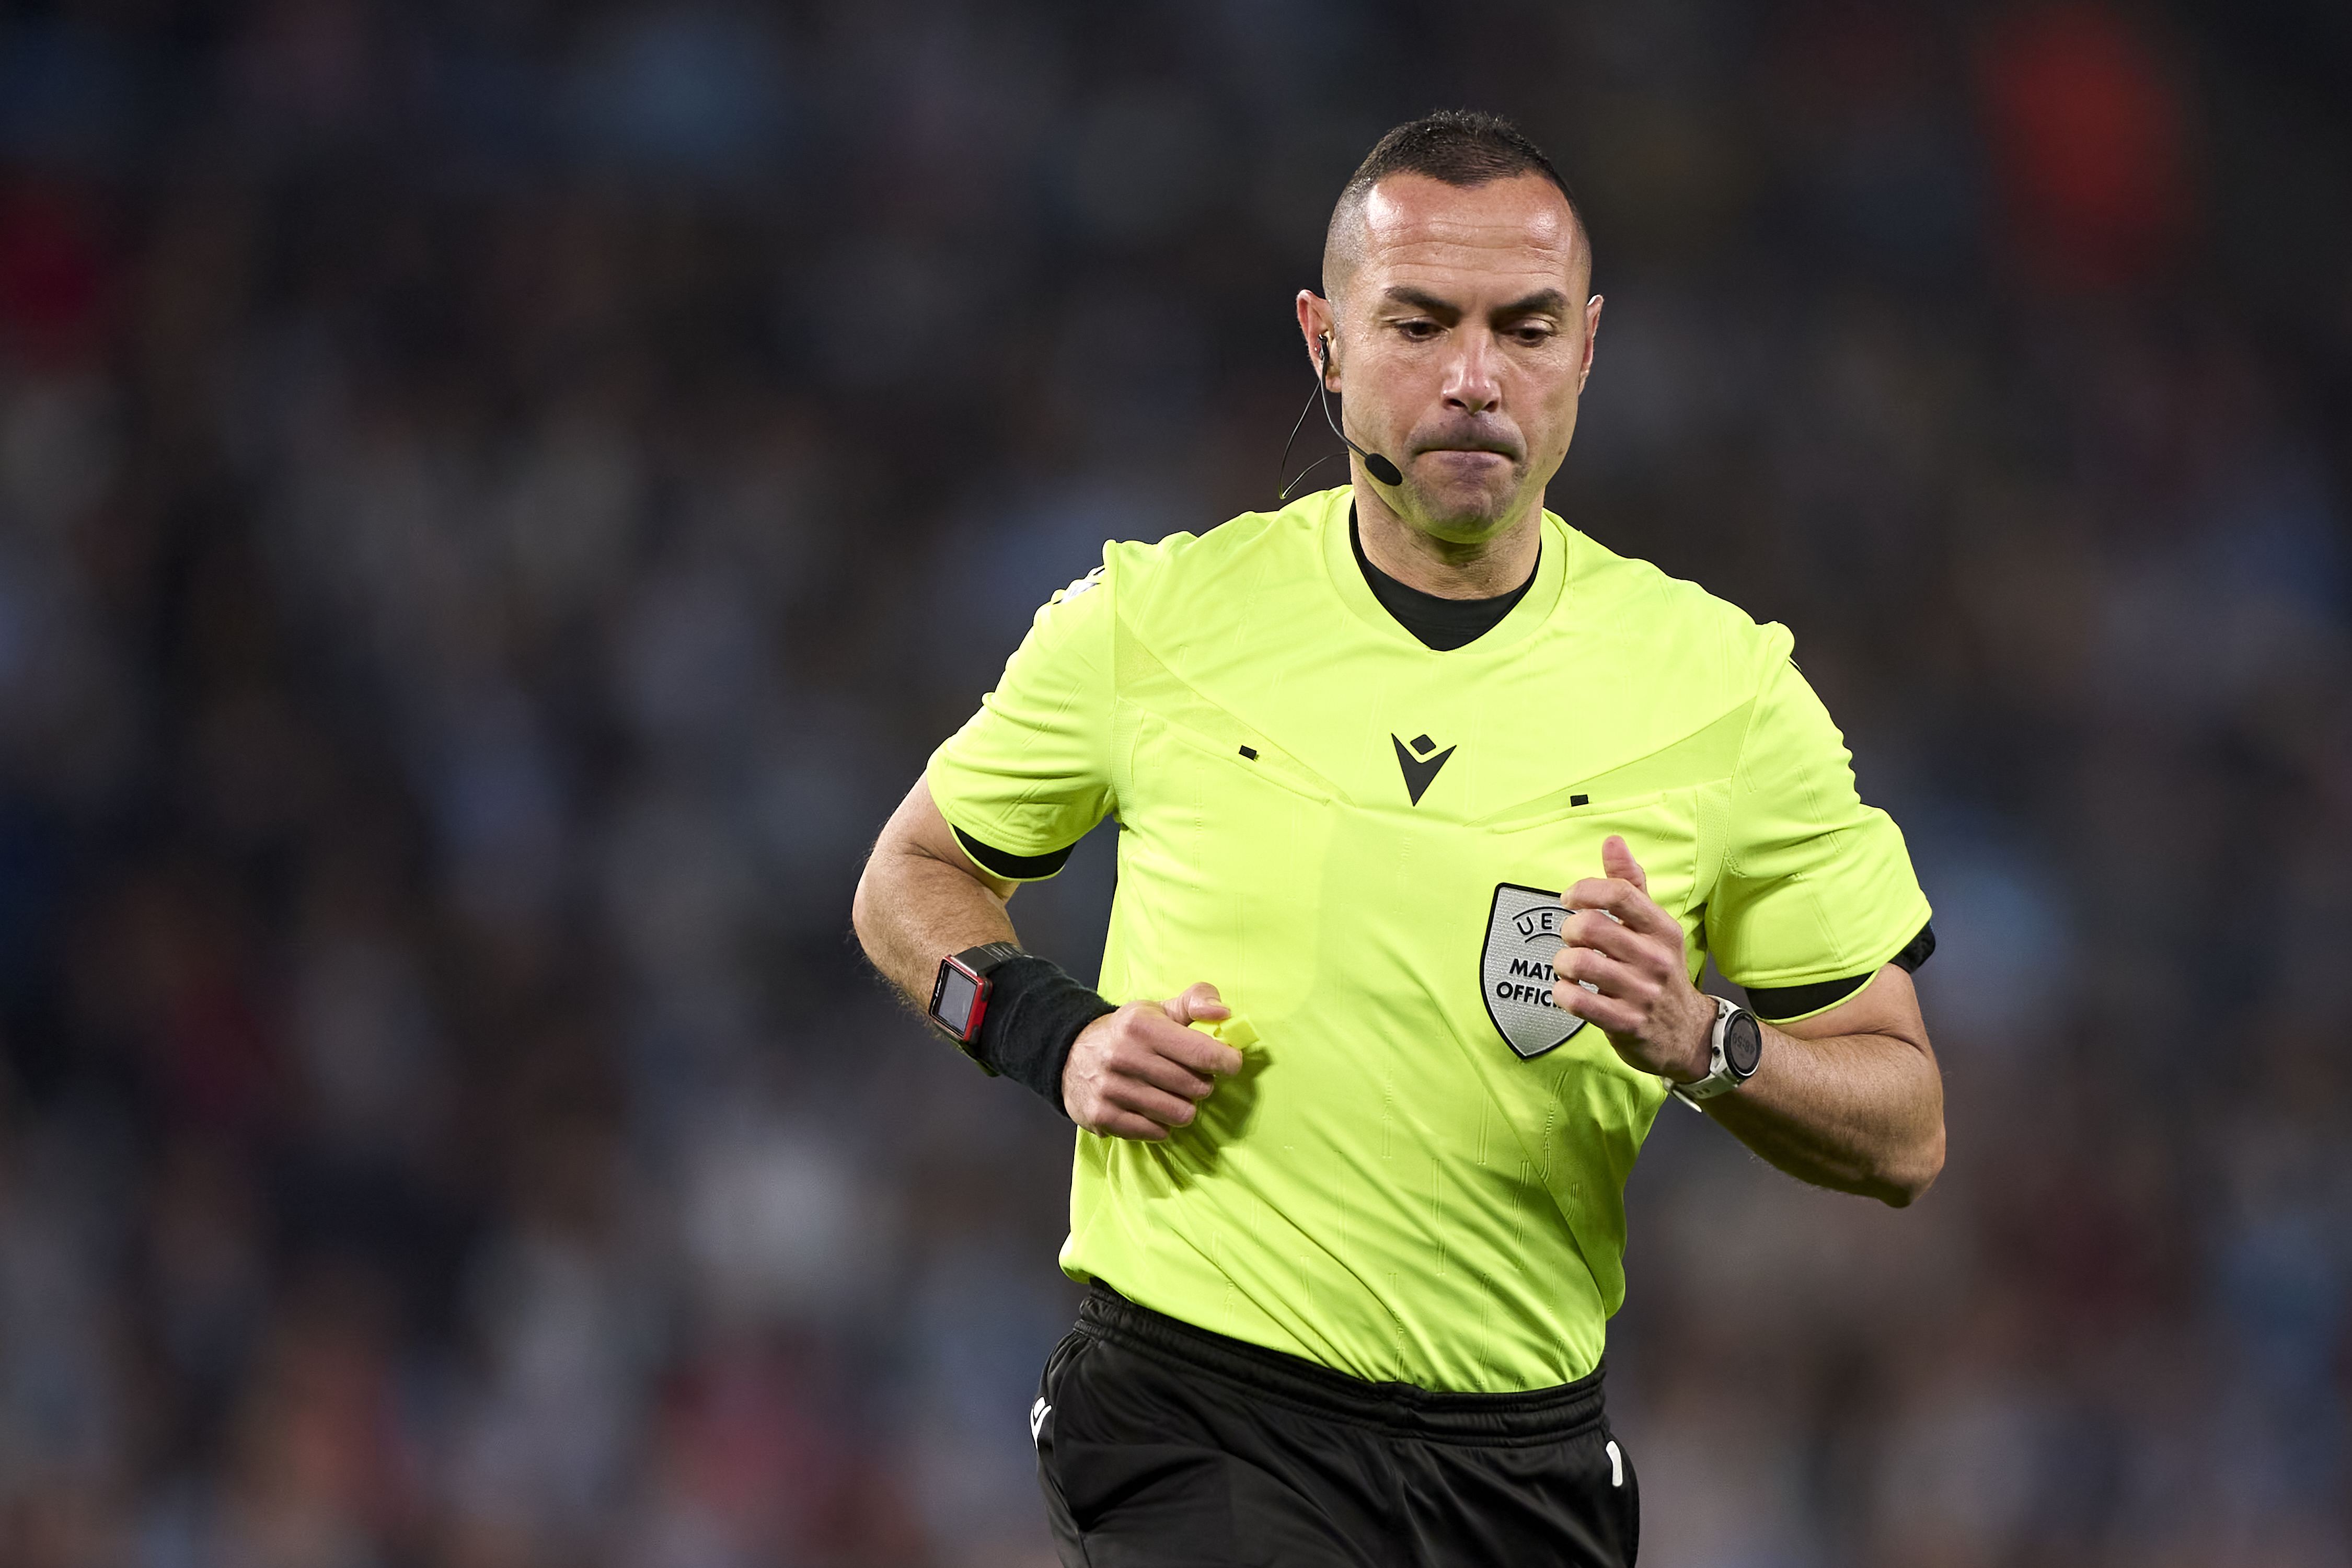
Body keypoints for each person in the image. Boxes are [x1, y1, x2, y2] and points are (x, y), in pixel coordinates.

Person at [852, 109, 1943, 1567]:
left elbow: (1906, 1126)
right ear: (1324, 338)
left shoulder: (1724, 692)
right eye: (1418, 323)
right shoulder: (1151, 621)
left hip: (1524, 1460)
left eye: (1526, 328)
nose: (1474, 378)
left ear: (1587, 349)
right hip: (1197, 1411)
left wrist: (1706, 1042)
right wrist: (1048, 1034)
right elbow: (907, 879)